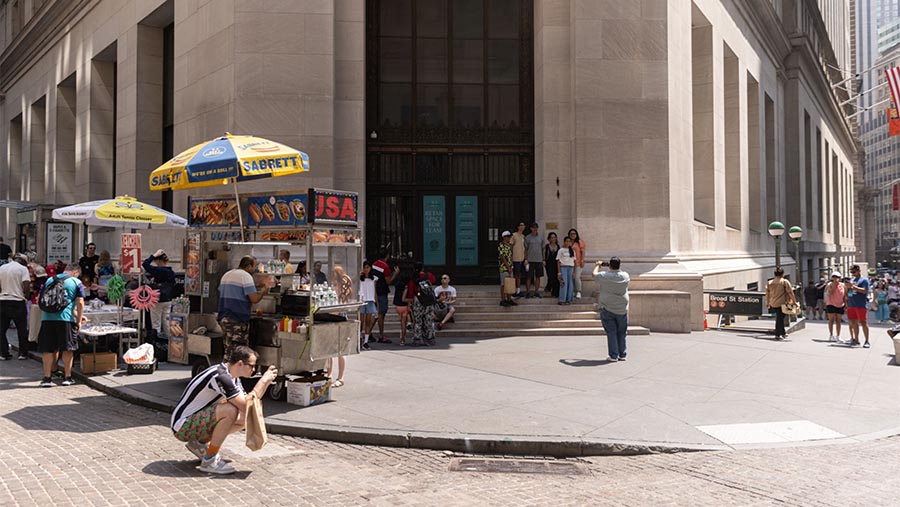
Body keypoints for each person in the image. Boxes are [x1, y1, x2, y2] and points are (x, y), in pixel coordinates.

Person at [171, 345, 277, 475]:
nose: (254, 370)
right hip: (182, 425)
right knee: (230, 410)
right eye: (252, 366)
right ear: (240, 363)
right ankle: (210, 460)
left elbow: (250, 407)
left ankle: (199, 443)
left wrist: (265, 383)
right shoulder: (221, 376)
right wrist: (262, 381)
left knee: (245, 418)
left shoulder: (232, 377)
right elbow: (245, 405)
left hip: (193, 421)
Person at [38, 264, 86, 387]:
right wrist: (79, 319)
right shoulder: (76, 282)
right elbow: (80, 302)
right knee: (67, 349)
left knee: (48, 349)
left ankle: (47, 378)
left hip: (47, 318)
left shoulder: (50, 279)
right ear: (75, 272)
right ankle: (67, 377)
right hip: (66, 320)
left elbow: (41, 298)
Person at [218, 256, 272, 352]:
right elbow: (254, 299)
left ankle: (227, 366)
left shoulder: (226, 274)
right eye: (254, 266)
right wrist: (264, 290)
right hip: (237, 319)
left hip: (224, 318)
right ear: (248, 266)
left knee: (229, 349)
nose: (255, 269)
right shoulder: (246, 276)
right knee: (239, 352)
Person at [594, 257, 630, 362]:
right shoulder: (625, 275)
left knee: (611, 332)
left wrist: (598, 265)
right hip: (622, 308)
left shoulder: (605, 276)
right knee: (622, 332)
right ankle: (622, 354)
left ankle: (614, 355)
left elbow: (594, 275)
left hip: (608, 307)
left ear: (609, 265)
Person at [0, 254, 32, 360]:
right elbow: (26, 285)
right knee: (21, 328)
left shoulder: (2, 268)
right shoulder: (23, 269)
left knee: (1, 329)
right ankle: (23, 353)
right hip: (17, 301)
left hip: (3, 300)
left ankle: (3, 352)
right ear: (23, 261)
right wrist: (26, 296)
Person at [143, 249, 177, 335]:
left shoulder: (158, 270)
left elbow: (145, 264)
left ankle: (156, 343)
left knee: (156, 324)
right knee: (167, 323)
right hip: (168, 299)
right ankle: (169, 343)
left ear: (158, 260)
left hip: (157, 299)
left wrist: (153, 255)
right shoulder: (171, 272)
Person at [408, 262, 436, 346]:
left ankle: (417, 339)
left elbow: (410, 293)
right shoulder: (428, 275)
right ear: (423, 268)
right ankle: (430, 339)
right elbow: (434, 280)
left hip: (418, 301)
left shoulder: (413, 278)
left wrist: (410, 303)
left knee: (418, 321)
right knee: (429, 320)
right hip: (429, 301)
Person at [372, 251, 398, 341]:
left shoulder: (374, 264)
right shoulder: (385, 267)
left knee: (375, 314)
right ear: (386, 256)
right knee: (381, 314)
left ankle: (369, 332)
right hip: (382, 291)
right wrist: (395, 274)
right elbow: (388, 281)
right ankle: (381, 335)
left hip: (374, 291)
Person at [765, 267, 795, 340]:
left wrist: (768, 302)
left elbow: (767, 294)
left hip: (773, 302)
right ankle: (777, 334)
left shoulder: (770, 282)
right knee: (780, 318)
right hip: (783, 303)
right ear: (782, 274)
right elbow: (790, 292)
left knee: (779, 317)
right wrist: (794, 301)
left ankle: (783, 333)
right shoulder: (785, 282)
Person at [846, 264, 870, 348]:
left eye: (854, 272)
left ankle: (867, 340)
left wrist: (853, 287)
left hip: (860, 304)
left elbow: (864, 291)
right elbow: (849, 291)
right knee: (853, 322)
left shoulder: (864, 280)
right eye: (851, 272)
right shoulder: (852, 280)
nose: (852, 273)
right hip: (851, 304)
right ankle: (856, 339)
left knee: (863, 322)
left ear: (859, 270)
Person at [358, 260, 378, 350]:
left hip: (370, 300)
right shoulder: (360, 278)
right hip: (362, 301)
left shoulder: (373, 278)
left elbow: (375, 291)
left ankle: (366, 341)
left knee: (368, 322)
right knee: (361, 322)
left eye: (367, 267)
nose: (366, 269)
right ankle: (359, 338)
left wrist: (376, 302)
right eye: (364, 267)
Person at [523, 222, 546, 298]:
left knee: (538, 277)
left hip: (539, 260)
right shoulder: (527, 237)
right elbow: (525, 249)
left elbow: (543, 249)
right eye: (533, 227)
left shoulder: (541, 238)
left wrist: (543, 259)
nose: (535, 229)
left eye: (536, 227)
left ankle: (536, 291)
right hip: (530, 260)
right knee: (529, 277)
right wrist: (525, 259)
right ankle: (528, 292)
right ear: (531, 228)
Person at [393, 266, 412, 345]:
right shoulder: (406, 287)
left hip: (397, 306)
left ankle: (402, 336)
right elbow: (403, 299)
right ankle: (403, 340)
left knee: (402, 322)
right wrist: (411, 300)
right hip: (403, 306)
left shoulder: (397, 284)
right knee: (403, 324)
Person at [825, 272, 846, 342]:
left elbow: (844, 295)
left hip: (840, 304)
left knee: (838, 321)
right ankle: (831, 335)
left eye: (837, 277)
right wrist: (834, 285)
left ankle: (838, 336)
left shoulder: (843, 285)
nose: (835, 278)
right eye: (834, 277)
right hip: (831, 303)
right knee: (831, 320)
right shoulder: (829, 285)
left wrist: (846, 304)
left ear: (839, 278)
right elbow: (830, 292)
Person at [498, 231, 516, 307]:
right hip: (504, 268)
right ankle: (503, 299)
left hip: (510, 267)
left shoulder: (509, 245)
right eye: (508, 237)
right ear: (504, 237)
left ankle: (509, 299)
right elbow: (503, 257)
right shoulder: (501, 245)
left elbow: (510, 256)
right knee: (503, 284)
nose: (509, 238)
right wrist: (508, 267)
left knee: (509, 284)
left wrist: (511, 266)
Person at [556, 236, 576, 305]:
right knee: (563, 283)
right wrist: (559, 272)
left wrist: (574, 271)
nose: (568, 243)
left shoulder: (572, 251)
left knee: (570, 284)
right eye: (566, 241)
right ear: (564, 242)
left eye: (569, 241)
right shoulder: (561, 250)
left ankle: (569, 299)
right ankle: (562, 299)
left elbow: (574, 262)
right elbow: (558, 261)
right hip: (563, 268)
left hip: (571, 268)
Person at [567, 229, 586, 299]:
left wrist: (582, 260)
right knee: (571, 278)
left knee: (577, 277)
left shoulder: (579, 242)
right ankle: (572, 291)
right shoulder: (568, 242)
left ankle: (579, 291)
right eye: (571, 234)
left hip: (578, 263)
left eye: (574, 233)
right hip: (570, 263)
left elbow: (583, 251)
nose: (573, 235)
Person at [510, 222, 527, 298]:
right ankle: (513, 290)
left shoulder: (523, 236)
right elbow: (511, 246)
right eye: (521, 225)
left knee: (519, 275)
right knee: (515, 275)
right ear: (518, 227)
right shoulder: (514, 235)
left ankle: (518, 290)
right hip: (515, 258)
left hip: (522, 258)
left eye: (523, 225)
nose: (522, 227)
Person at [543, 232, 560, 298]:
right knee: (550, 277)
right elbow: (544, 254)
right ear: (549, 239)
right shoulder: (547, 246)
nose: (553, 239)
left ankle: (555, 293)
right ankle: (548, 288)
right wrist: (544, 260)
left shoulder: (558, 246)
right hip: (549, 264)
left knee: (556, 278)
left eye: (554, 237)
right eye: (551, 237)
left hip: (556, 264)